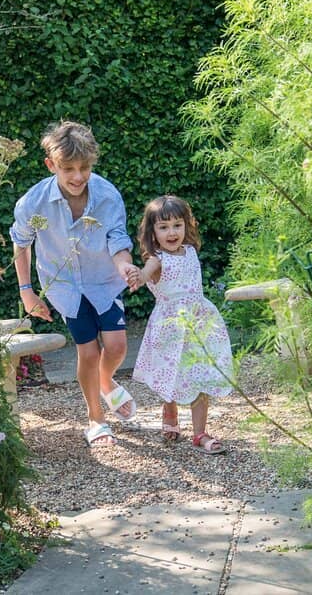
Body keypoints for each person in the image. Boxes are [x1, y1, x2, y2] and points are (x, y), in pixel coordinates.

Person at [10, 121, 141, 447]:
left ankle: (105, 383)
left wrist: (126, 267)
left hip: (104, 280)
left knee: (116, 347)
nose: (78, 176)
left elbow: (117, 240)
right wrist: (27, 292)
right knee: (88, 349)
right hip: (64, 284)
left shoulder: (108, 195)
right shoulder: (33, 203)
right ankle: (96, 420)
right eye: (68, 168)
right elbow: (21, 245)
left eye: (84, 167)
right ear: (51, 165)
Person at [132, 195, 233, 454]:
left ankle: (200, 433)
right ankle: (170, 410)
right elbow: (145, 274)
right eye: (163, 227)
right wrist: (138, 277)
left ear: (187, 225)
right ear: (152, 232)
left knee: (200, 373)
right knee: (172, 374)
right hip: (171, 327)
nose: (172, 232)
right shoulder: (157, 259)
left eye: (177, 225)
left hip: (199, 323)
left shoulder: (190, 251)